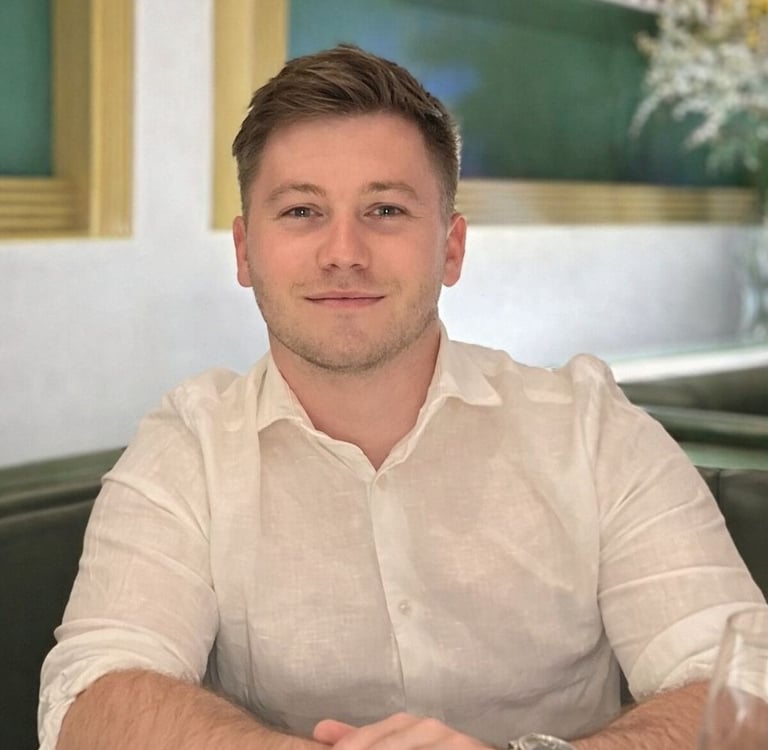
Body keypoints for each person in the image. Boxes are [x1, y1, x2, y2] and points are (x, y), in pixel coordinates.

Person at [39, 44, 764, 750]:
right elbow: (92, 694)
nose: (344, 251)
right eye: (300, 212)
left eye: (385, 210)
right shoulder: (189, 446)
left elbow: (745, 688)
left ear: (450, 249)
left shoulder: (593, 429)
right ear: (243, 251)